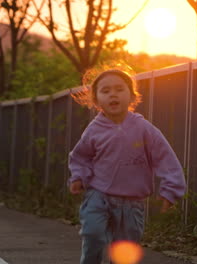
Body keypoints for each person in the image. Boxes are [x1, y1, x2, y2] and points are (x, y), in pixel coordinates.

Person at [68, 67, 186, 264]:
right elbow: (80, 156)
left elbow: (165, 158)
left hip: (132, 202)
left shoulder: (144, 129)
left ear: (132, 97)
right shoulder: (94, 130)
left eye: (119, 89)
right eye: (105, 91)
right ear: (96, 101)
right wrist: (78, 176)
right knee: (93, 234)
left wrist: (171, 190)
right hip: (99, 195)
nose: (113, 94)